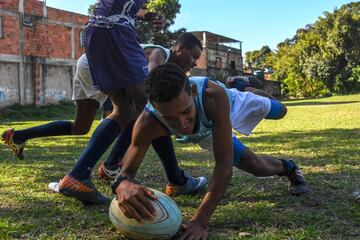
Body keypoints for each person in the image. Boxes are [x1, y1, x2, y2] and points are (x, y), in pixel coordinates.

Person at [112, 63, 309, 239]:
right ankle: (289, 167)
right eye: (170, 119)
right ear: (154, 107)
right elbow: (126, 172)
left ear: (193, 91)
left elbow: (223, 165)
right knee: (255, 166)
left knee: (281, 111)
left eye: (185, 111)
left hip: (228, 105)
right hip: (204, 130)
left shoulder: (213, 95)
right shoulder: (147, 122)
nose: (182, 124)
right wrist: (122, 184)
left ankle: (242, 86)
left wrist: (200, 221)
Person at [56, 33, 206, 205]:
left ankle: (98, 169)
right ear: (180, 48)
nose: (195, 63)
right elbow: (153, 82)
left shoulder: (163, 59)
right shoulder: (160, 53)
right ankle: (177, 180)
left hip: (96, 61)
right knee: (150, 114)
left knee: (128, 113)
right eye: (194, 56)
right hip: (99, 61)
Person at [1, 53, 109, 160]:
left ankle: (19, 136)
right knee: (122, 112)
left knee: (80, 128)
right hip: (102, 66)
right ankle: (110, 166)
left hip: (88, 62)